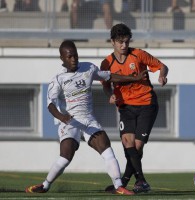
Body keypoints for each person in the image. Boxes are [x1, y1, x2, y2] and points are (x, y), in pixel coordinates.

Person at [25, 40, 148, 195]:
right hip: (70, 121)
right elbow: (50, 104)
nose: (74, 59)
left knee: (106, 147)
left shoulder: (88, 68)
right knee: (66, 156)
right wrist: (61, 117)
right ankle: (45, 185)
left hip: (88, 120)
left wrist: (135, 79)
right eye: (69, 57)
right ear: (62, 58)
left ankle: (118, 186)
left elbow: (110, 76)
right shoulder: (58, 79)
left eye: (75, 55)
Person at [100, 23, 169, 193]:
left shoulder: (138, 55)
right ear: (112, 42)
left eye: (126, 42)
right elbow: (105, 84)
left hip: (146, 104)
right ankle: (140, 181)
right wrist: (110, 94)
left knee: (137, 147)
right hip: (125, 107)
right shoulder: (106, 63)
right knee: (127, 143)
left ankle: (125, 181)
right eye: (120, 42)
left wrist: (162, 75)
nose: (124, 46)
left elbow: (162, 66)